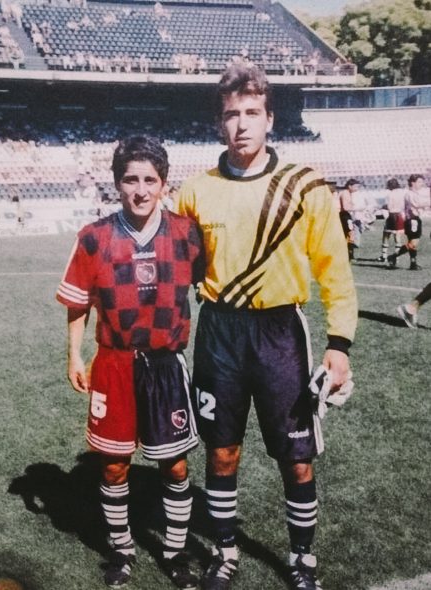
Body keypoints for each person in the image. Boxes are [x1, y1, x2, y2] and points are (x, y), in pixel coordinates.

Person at [175, 65, 357, 590]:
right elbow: (175, 269)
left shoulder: (306, 187)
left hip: (281, 335)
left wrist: (339, 344)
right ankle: (225, 552)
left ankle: (302, 560)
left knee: (296, 457)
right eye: (231, 114)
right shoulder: (194, 192)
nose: (242, 124)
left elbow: (335, 270)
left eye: (252, 113)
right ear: (219, 123)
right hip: (219, 332)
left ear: (270, 119)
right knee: (221, 450)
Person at [56, 136, 204, 589]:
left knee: (174, 466)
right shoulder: (94, 237)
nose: (140, 190)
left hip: (165, 365)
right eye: (130, 180)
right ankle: (121, 550)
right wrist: (75, 353)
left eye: (149, 180)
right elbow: (78, 303)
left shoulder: (186, 234)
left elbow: (210, 287)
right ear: (117, 183)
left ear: (164, 184)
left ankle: (175, 552)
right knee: (114, 465)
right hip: (114, 364)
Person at [387, 174, 429, 270]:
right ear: (412, 183)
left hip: (414, 219)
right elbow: (417, 204)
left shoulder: (414, 193)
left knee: (412, 243)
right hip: (412, 220)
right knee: (413, 243)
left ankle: (413, 263)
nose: (421, 184)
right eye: (419, 182)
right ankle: (393, 256)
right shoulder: (409, 194)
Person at [377, 178, 405, 264]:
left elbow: (388, 206)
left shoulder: (390, 194)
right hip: (399, 215)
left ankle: (384, 256)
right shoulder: (402, 193)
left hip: (392, 215)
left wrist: (382, 207)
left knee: (386, 235)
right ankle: (397, 257)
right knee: (397, 236)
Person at [339, 178, 365, 261]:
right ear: (349, 186)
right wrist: (358, 209)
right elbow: (346, 208)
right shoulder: (345, 193)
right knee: (350, 234)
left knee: (349, 234)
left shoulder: (347, 193)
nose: (357, 189)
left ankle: (348, 254)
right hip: (344, 216)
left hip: (345, 216)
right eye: (356, 186)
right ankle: (349, 255)